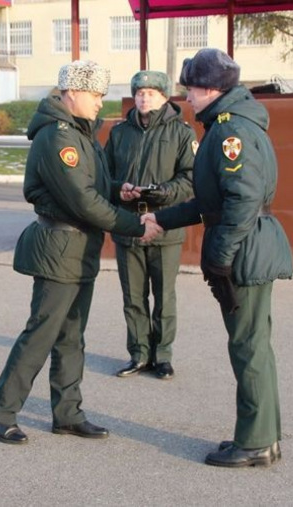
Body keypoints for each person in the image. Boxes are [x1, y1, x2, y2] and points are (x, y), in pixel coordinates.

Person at [0, 60, 162, 445]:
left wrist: (120, 190)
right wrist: (135, 224)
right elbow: (81, 199)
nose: (101, 102)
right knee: (41, 334)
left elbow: (92, 184)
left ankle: (67, 413)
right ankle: (1, 411)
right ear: (72, 93)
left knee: (71, 336)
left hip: (80, 248)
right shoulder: (58, 137)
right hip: (60, 247)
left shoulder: (81, 133)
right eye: (96, 95)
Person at [142, 48, 293, 467]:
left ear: (209, 89)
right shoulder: (228, 125)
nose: (186, 98)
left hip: (245, 250)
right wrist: (162, 218)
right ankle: (261, 436)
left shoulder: (231, 133)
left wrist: (221, 256)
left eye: (189, 89)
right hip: (247, 244)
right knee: (252, 345)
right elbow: (210, 201)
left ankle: (257, 442)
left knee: (248, 346)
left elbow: (242, 200)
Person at [105, 70, 196, 380]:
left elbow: (190, 178)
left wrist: (165, 192)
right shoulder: (119, 133)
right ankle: (139, 354)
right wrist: (119, 188)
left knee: (164, 296)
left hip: (164, 224)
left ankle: (163, 356)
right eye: (140, 92)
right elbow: (104, 177)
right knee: (133, 296)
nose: (144, 97)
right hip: (128, 222)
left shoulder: (181, 133)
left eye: (151, 92)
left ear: (164, 96)